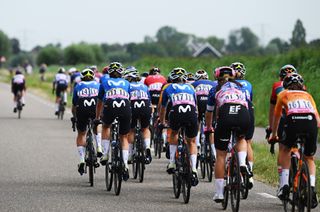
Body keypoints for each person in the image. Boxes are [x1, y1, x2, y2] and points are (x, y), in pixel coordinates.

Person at [269, 73, 319, 208]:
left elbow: (277, 117)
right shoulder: (308, 95)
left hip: (293, 121)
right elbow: (318, 120)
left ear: (285, 85)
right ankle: (312, 189)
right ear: (302, 85)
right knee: (309, 158)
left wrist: (274, 135)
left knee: (285, 149)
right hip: (310, 122)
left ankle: (285, 185)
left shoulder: (283, 94)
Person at [206, 66, 250, 202]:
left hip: (226, 114)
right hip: (243, 113)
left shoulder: (215, 89)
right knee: (241, 138)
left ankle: (219, 193)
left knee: (221, 155)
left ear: (216, 78)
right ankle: (242, 162)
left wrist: (208, 127)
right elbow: (248, 104)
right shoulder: (242, 86)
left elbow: (209, 112)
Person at [159, 67, 199, 187]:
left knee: (174, 134)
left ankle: (171, 162)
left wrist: (162, 122)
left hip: (176, 112)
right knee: (191, 141)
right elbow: (196, 106)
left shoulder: (168, 87)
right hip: (191, 112)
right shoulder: (191, 87)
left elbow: (163, 107)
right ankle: (194, 169)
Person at [95, 62, 131, 181]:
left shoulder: (104, 82)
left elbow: (99, 101)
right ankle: (125, 164)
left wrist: (97, 117)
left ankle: (105, 154)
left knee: (106, 126)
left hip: (110, 105)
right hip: (125, 106)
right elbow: (129, 98)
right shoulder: (126, 82)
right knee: (124, 137)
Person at [266, 64, 298, 187]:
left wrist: (271, 127)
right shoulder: (302, 87)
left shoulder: (276, 86)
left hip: (284, 118)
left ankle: (282, 182)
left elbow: (273, 110)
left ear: (281, 78)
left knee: (283, 149)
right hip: (305, 120)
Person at [72, 68, 101, 175]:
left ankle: (81, 160)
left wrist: (74, 116)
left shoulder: (78, 86)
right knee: (96, 126)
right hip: (94, 109)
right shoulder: (98, 84)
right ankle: (99, 147)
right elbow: (102, 101)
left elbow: (74, 105)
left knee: (81, 133)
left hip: (82, 110)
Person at [230, 62, 254, 189]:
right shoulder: (249, 84)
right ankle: (250, 175)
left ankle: (233, 165)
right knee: (247, 141)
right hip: (248, 111)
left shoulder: (228, 85)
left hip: (231, 110)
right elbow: (251, 101)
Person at [124, 67, 152, 164]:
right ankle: (147, 146)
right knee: (145, 128)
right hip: (146, 107)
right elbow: (149, 100)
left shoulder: (127, 86)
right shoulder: (144, 86)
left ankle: (131, 155)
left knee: (131, 130)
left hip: (133, 107)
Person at [191, 69, 217, 159]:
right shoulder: (213, 83)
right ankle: (214, 153)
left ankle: (197, 144)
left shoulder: (193, 84)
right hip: (210, 103)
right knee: (210, 128)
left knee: (197, 122)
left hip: (199, 103)